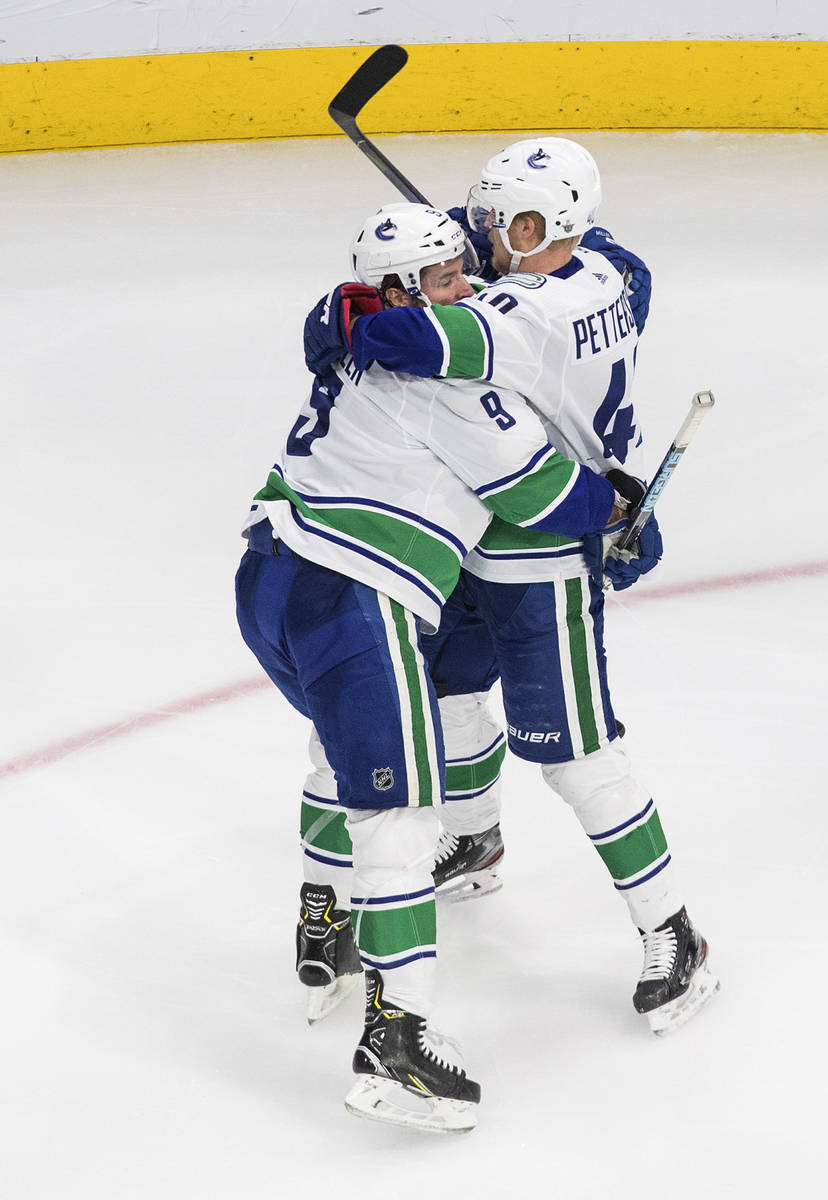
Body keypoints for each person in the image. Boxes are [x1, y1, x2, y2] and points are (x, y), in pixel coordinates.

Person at [235, 201, 638, 1132]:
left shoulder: (356, 335)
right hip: (353, 593)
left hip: (269, 572)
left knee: (341, 761)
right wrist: (616, 506)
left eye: (467, 268)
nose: (468, 289)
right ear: (396, 293)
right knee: (401, 807)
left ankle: (323, 926)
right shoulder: (447, 380)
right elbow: (540, 493)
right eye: (447, 280)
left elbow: (347, 317)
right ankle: (396, 1040)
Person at [304, 138, 719, 1037]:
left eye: (508, 222)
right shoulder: (609, 267)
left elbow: (401, 335)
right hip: (461, 526)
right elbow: (615, 265)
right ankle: (477, 838)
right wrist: (435, 263)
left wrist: (359, 309)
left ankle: (674, 931)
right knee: (447, 693)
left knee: (576, 754)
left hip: (542, 539)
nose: (486, 234)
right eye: (484, 217)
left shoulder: (530, 313)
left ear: (549, 227)